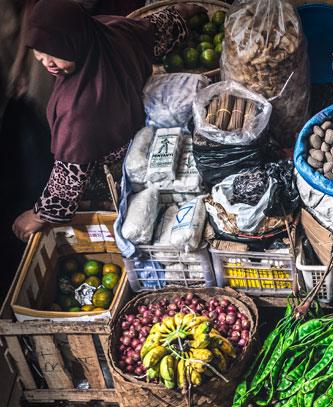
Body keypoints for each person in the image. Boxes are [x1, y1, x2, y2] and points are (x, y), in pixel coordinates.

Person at [12, 0, 203, 241]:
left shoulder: (79, 111)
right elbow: (157, 28)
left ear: (74, 41)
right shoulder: (108, 29)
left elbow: (71, 175)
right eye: (40, 52)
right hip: (139, 125)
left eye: (56, 52)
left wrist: (39, 216)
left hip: (118, 162)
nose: (47, 63)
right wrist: (185, 13)